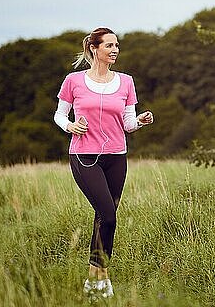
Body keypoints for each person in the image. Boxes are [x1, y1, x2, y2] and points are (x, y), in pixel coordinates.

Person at [53, 27, 153, 300]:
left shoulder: (126, 82)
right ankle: (103, 275)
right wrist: (71, 126)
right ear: (94, 48)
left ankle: (93, 280)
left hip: (116, 158)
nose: (115, 49)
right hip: (84, 156)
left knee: (104, 218)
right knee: (108, 214)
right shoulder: (73, 81)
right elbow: (59, 115)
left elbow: (128, 124)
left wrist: (141, 121)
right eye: (109, 45)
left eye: (117, 45)